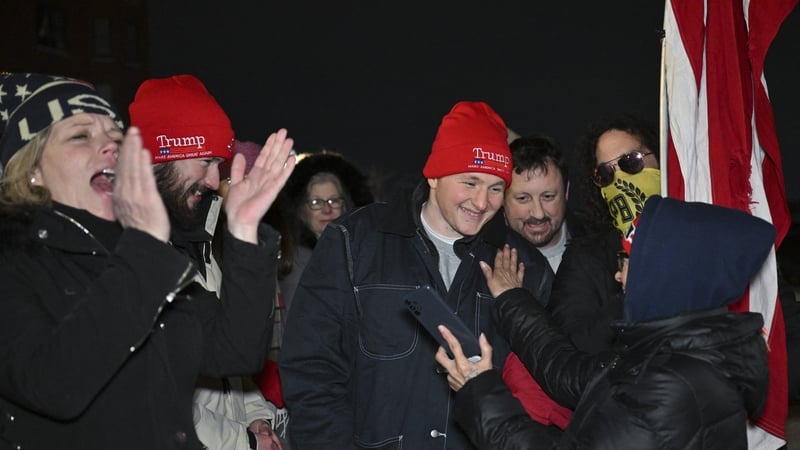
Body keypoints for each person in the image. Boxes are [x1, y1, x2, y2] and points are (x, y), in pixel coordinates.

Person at [0, 72, 294, 449]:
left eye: (115, 136)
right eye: (81, 135)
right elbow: (54, 385)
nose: (110, 147)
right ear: (31, 170)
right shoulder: (15, 261)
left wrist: (243, 231)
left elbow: (233, 351)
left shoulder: (128, 252)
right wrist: (144, 253)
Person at [279, 101, 555, 449]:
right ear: (435, 175)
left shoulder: (525, 267)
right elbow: (311, 369)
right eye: (470, 182)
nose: (482, 202)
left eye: (496, 188)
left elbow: (541, 395)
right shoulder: (356, 241)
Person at [437, 195, 775, 449]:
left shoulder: (666, 387)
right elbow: (567, 371)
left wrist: (480, 394)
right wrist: (512, 299)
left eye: (627, 261)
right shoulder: (675, 356)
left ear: (665, 275)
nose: (617, 274)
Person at [129, 74, 287, 450]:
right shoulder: (124, 249)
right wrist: (241, 441)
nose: (216, 180)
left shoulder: (200, 234)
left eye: (220, 163)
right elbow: (154, 394)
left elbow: (231, 354)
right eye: (205, 161)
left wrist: (256, 417)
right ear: (162, 153)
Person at [546, 113, 661, 353]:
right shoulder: (585, 257)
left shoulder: (699, 237)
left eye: (631, 162)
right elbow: (571, 350)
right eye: (606, 174)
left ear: (661, 158)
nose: (619, 179)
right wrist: (627, 296)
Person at [280, 150, 374, 310]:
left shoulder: (363, 256)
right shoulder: (297, 262)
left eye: (333, 200)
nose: (327, 209)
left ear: (346, 207)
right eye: (316, 202)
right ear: (302, 211)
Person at [503, 133, 578, 272]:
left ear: (566, 192)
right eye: (523, 199)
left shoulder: (601, 250)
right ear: (502, 197)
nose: (538, 214)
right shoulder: (480, 258)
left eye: (548, 197)